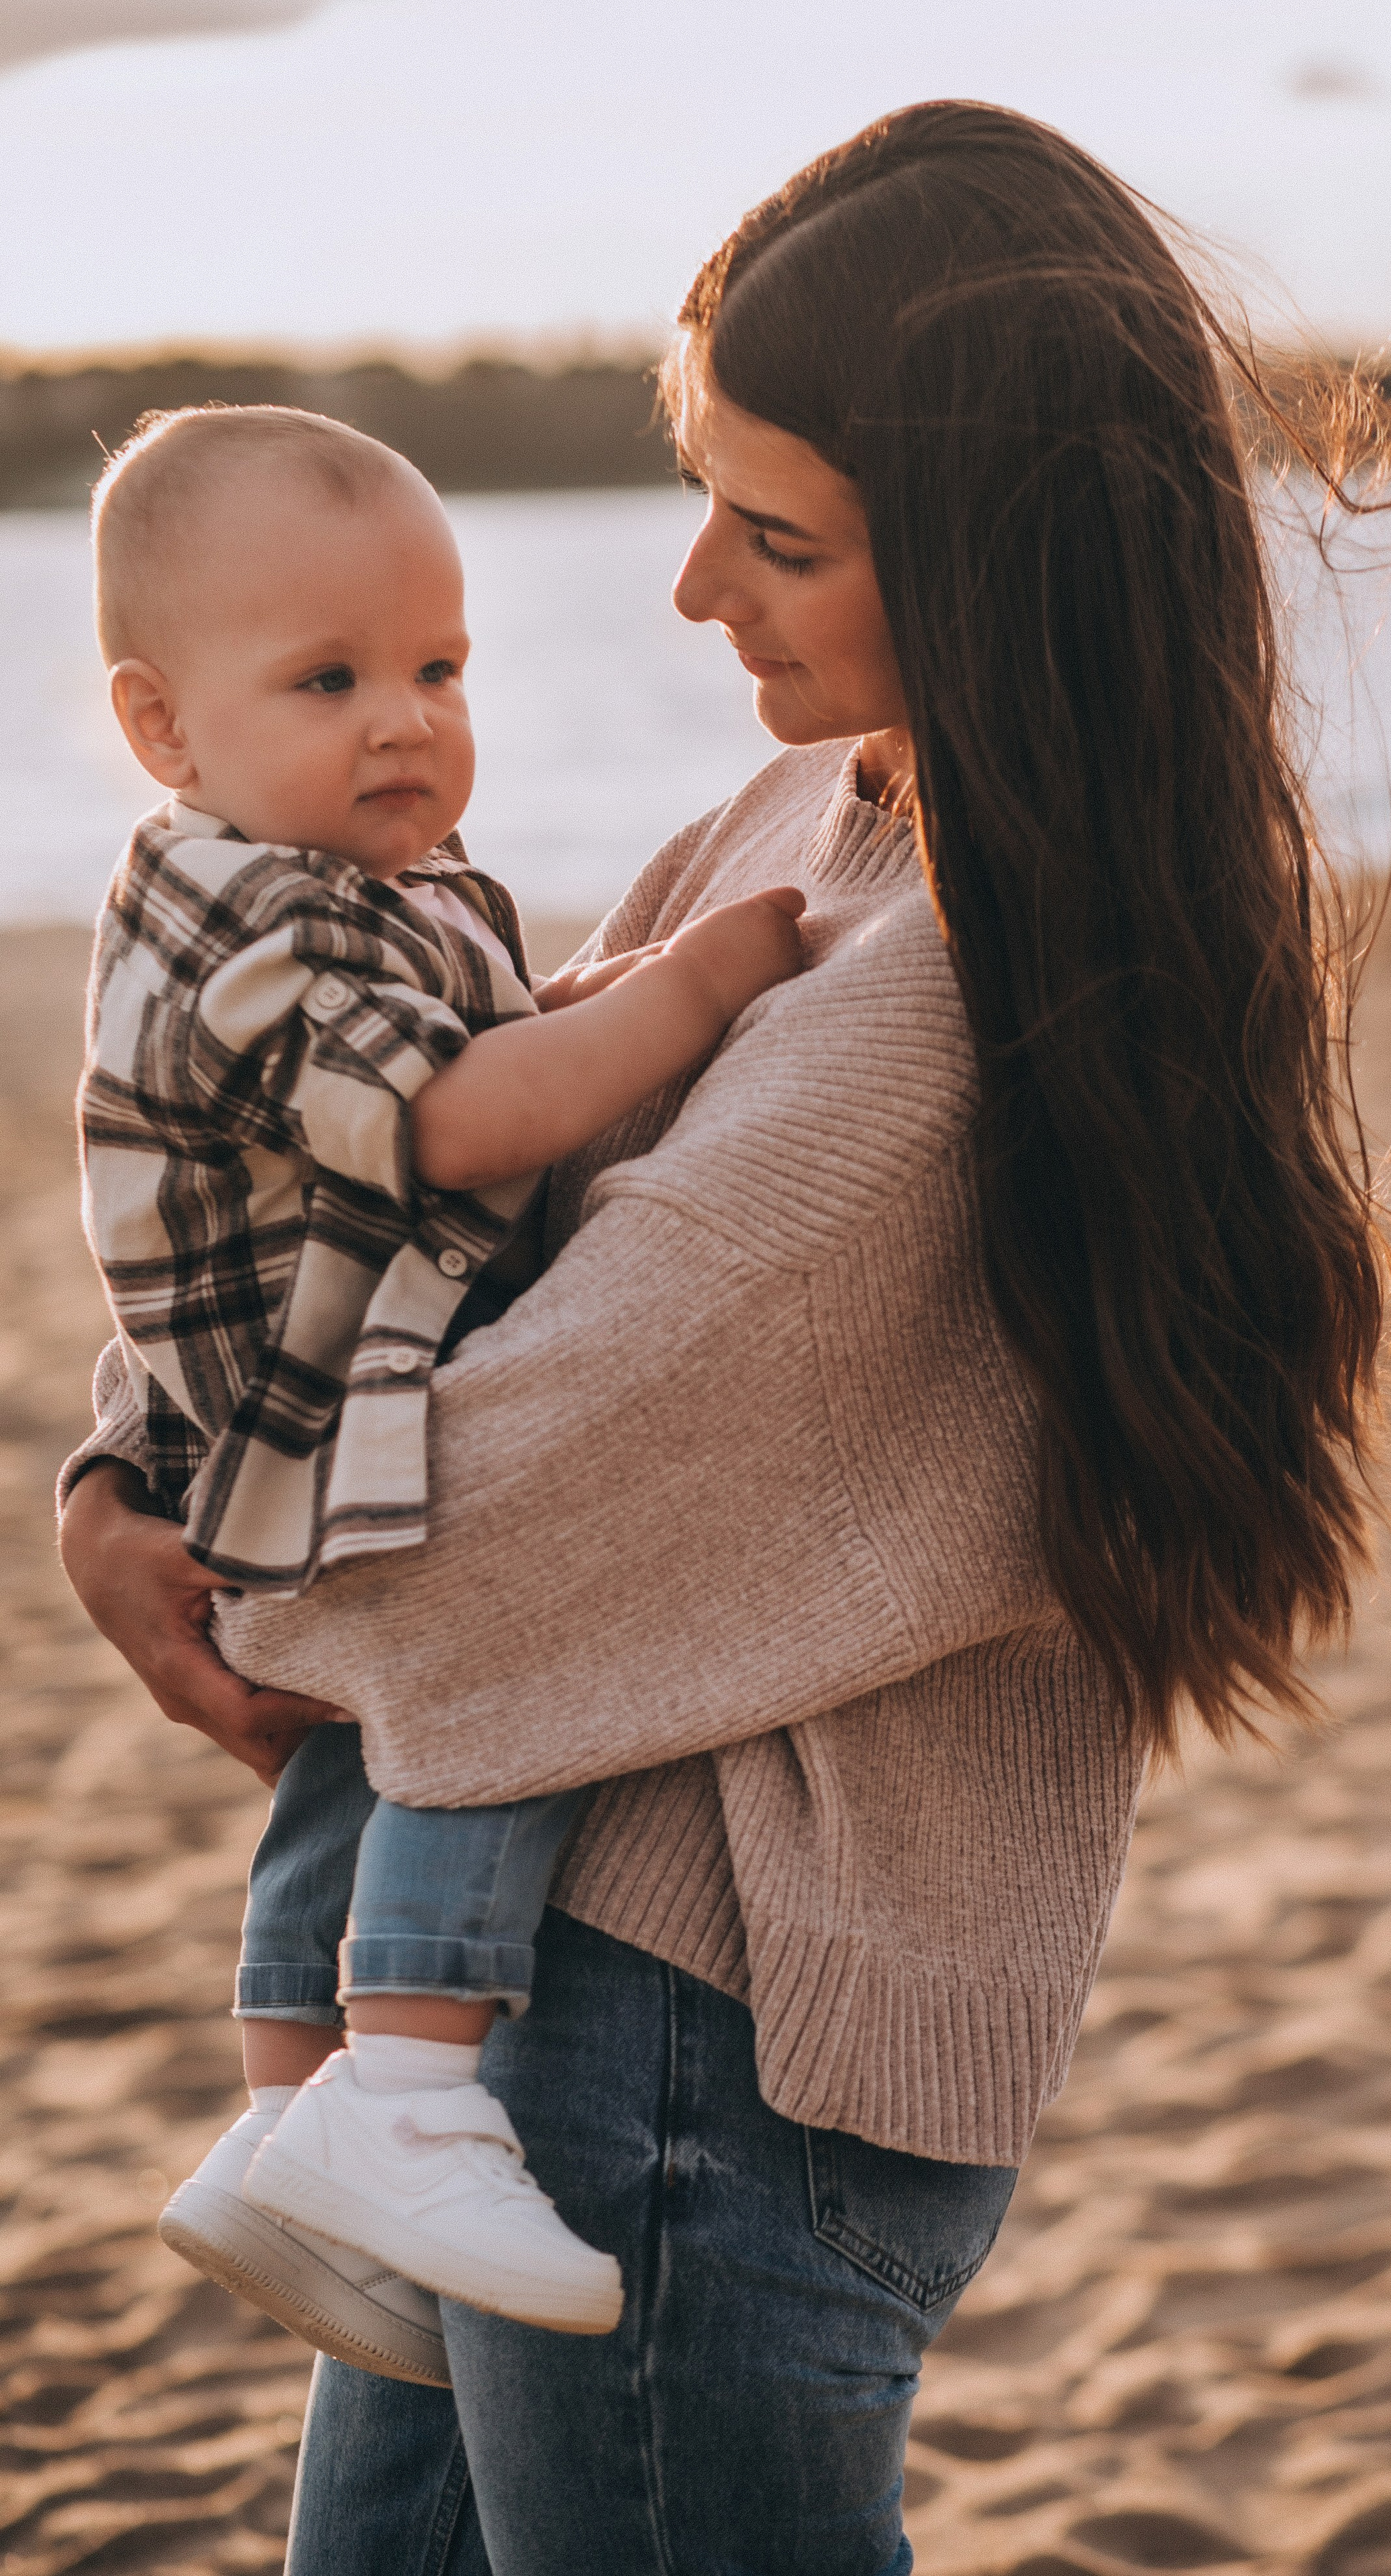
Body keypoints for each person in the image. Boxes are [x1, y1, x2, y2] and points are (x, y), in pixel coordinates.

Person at [60, 102, 1391, 2576]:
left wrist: (205, 1576)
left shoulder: (939, 1008)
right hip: (563, 2005)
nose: (690, 591)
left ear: (987, 555)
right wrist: (114, 1476)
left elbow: (483, 1509)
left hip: (702, 2045)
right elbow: (407, 1211)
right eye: (705, 500)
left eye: (775, 536)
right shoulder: (796, 837)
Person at [77, 405, 805, 2360]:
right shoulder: (258, 918)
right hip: (335, 1410)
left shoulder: (337, 882)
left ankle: (289, 2111)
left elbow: (468, 1041)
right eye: (330, 681)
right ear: (162, 726)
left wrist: (588, 1000)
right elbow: (462, 1121)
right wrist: (694, 992)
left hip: (290, 1413)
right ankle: (402, 2083)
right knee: (499, 1664)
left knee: (353, 1738)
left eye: (440, 667)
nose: (406, 721)